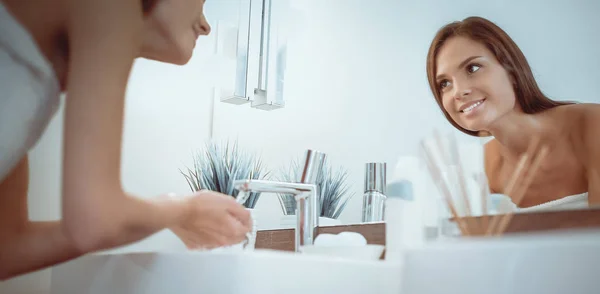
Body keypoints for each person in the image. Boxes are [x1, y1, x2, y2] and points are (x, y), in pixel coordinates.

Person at [0, 0, 252, 280]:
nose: (205, 25)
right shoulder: (112, 7)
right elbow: (94, 222)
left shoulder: (36, 73)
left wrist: (161, 218)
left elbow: (8, 247)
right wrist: (182, 210)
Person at [426, 16, 600, 210]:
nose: (458, 91)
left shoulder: (593, 125)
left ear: (512, 71)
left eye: (473, 68)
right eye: (445, 83)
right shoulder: (484, 166)